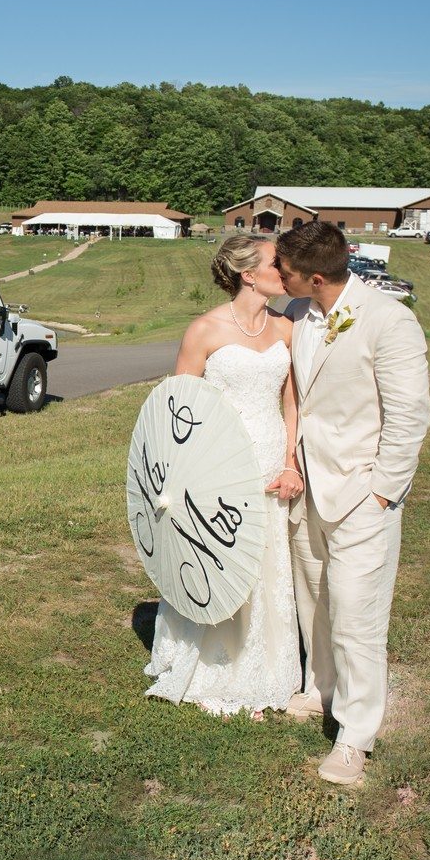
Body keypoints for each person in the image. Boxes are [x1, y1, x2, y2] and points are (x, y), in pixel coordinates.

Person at [274, 221, 430, 785]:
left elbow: (409, 414)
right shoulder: (298, 313)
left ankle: (354, 737)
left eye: (285, 273)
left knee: (357, 617)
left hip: (364, 492)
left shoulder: (390, 320)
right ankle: (319, 687)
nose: (278, 279)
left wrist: (384, 490)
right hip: (307, 486)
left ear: (315, 277)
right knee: (314, 599)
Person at [144, 235, 303, 717]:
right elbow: (178, 408)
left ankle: (266, 665)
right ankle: (213, 663)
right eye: (277, 263)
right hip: (220, 464)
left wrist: (291, 461)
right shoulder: (204, 330)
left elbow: (292, 404)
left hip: (271, 459)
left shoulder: (286, 327)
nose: (285, 269)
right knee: (221, 556)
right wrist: (184, 474)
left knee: (266, 559)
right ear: (248, 274)